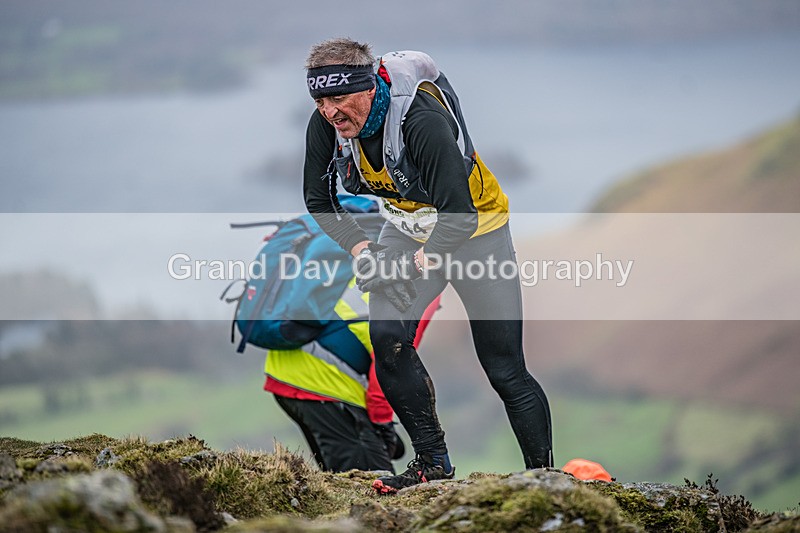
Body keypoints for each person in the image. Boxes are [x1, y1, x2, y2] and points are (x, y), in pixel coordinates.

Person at [302, 38, 553, 494]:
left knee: (504, 368)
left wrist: (412, 265)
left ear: (369, 87)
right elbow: (319, 199)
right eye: (320, 100)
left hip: (476, 233)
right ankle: (432, 463)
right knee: (387, 339)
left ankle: (544, 479)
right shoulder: (328, 124)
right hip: (405, 229)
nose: (330, 112)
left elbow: (459, 217)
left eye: (338, 98)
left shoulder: (421, 121)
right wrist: (364, 250)